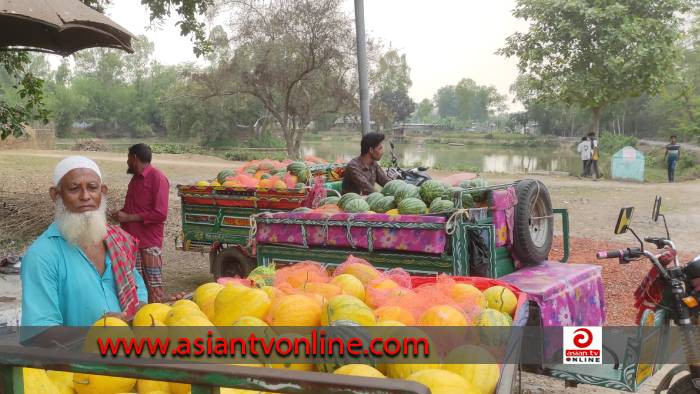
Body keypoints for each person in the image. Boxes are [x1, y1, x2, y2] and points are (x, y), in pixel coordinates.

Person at [20, 156, 148, 334]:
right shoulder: (42, 256)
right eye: (74, 189)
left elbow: (137, 291)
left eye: (92, 188)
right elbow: (40, 332)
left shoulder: (118, 241)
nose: (85, 196)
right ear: (56, 195)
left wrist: (155, 313)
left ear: (102, 192)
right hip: (79, 359)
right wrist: (97, 331)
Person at [111, 144, 170, 303]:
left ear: (134, 158)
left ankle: (156, 317)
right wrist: (120, 214)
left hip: (149, 242)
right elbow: (134, 208)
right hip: (131, 242)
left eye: (128, 158)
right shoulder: (135, 179)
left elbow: (160, 214)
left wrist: (128, 217)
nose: (127, 162)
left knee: (153, 286)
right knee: (135, 285)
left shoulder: (158, 178)